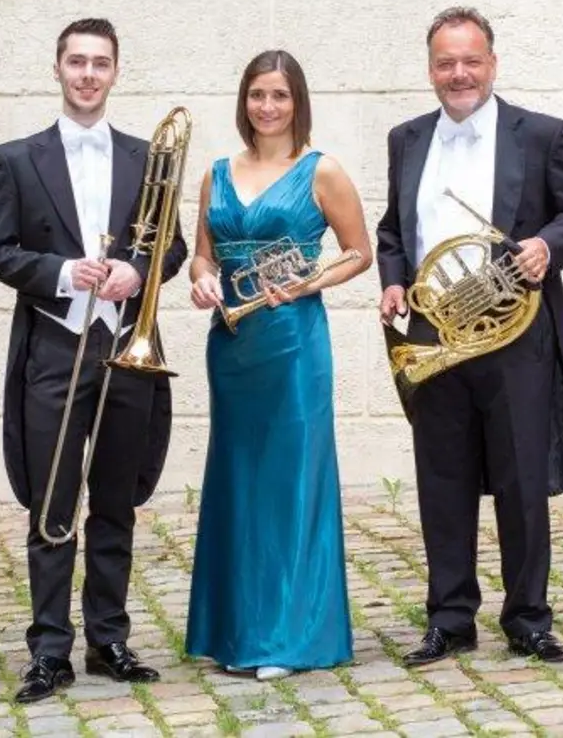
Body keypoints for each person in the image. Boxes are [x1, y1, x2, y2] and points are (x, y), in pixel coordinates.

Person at [375, 7, 563, 667]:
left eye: (471, 60)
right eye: (446, 62)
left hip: (514, 337)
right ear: (430, 70)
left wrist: (544, 246)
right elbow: (394, 231)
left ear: (492, 64)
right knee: (441, 479)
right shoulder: (406, 138)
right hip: (434, 335)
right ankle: (450, 618)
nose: (459, 73)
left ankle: (528, 618)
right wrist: (392, 281)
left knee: (521, 481)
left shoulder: (540, 134)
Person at [0, 18, 188, 704]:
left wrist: (135, 271)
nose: (88, 74)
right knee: (52, 505)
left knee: (116, 502)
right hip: (55, 347)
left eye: (100, 63)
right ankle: (48, 650)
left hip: (126, 347)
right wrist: (66, 271)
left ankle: (109, 638)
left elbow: (174, 248)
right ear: (58, 69)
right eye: (77, 62)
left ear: (116, 72)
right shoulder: (18, 158)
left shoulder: (144, 157)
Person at [184, 50, 373, 681]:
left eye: (280, 96)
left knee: (290, 483)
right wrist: (202, 280)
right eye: (258, 95)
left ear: (299, 103)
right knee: (237, 482)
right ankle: (234, 632)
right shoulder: (215, 173)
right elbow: (202, 256)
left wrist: (305, 284)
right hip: (232, 343)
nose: (267, 107)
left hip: (293, 341)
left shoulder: (322, 171)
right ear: (244, 101)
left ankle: (288, 638)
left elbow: (359, 252)